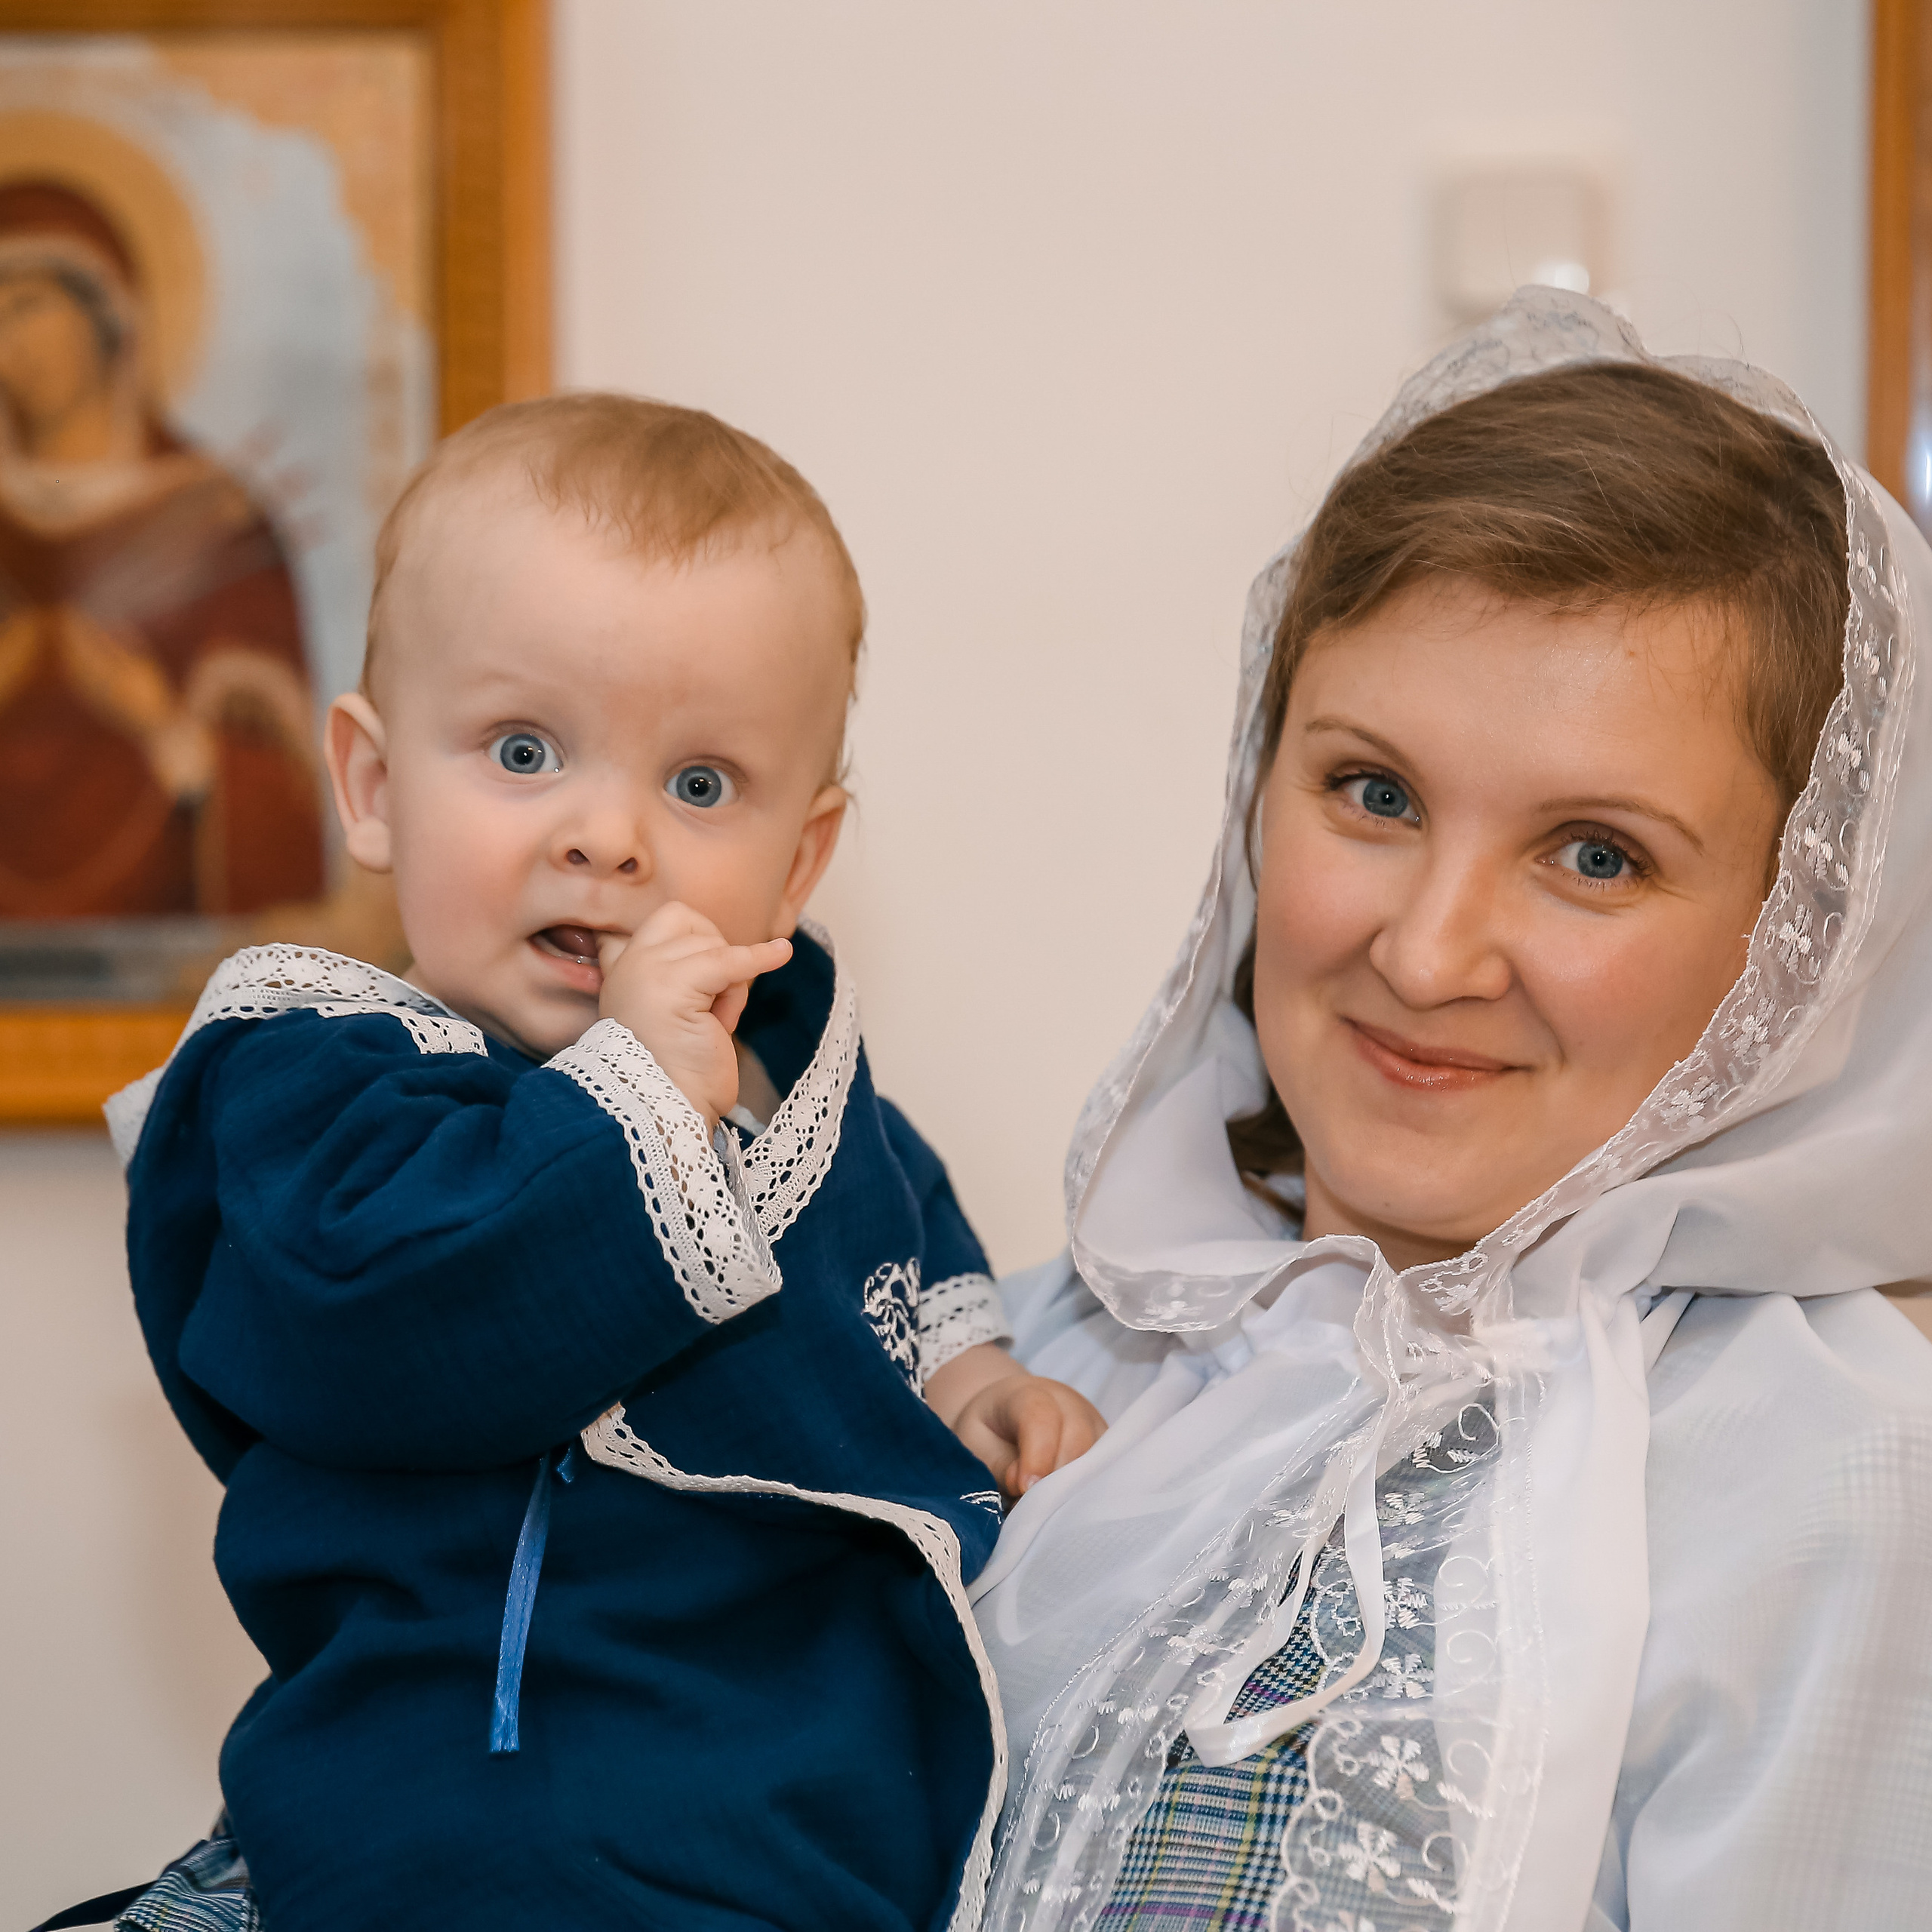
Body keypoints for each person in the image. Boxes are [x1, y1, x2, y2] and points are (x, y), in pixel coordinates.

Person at [971, 289, 1932, 1932]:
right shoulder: (1044, 1353)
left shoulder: (1833, 1486)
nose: (1421, 952)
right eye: (1373, 792)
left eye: (1593, 853)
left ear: (1796, 950)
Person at [94, 394, 1103, 1932]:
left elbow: (904, 1274)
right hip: (452, 1829)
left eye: (698, 786)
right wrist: (633, 1087)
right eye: (522, 749)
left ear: (798, 858)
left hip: (794, 1846)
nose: (609, 835)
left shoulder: (811, 1107)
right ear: (372, 787)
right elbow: (405, 1313)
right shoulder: (316, 1080)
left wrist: (978, 1387)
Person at [0, 177, 323, 919]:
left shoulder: (215, 518)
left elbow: (277, 780)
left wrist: (163, 724)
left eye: (30, 306)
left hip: (167, 938)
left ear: (107, 312)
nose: (13, 343)